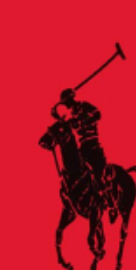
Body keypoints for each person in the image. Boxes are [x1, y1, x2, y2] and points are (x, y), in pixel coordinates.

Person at [56, 88, 116, 221]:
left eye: (67, 102)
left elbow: (98, 114)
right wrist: (57, 117)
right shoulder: (71, 115)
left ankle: (111, 204)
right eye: (65, 103)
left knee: (99, 174)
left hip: (93, 145)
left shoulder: (84, 106)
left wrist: (83, 120)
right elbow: (66, 127)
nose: (67, 105)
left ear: (71, 99)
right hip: (82, 148)